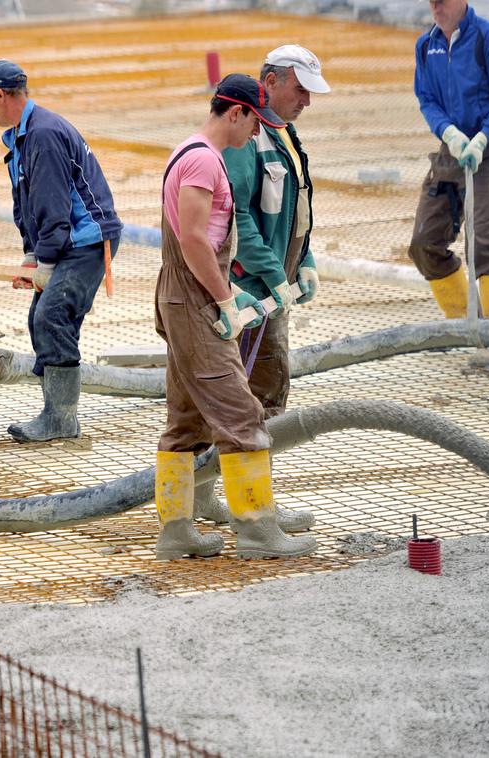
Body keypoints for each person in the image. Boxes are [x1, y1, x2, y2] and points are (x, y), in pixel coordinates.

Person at [154, 75, 316, 561]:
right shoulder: (205, 159)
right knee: (242, 416)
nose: (255, 134)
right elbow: (196, 240)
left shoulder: (189, 151)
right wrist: (226, 298)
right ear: (237, 112)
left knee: (185, 421)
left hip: (184, 299)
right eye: (254, 122)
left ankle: (176, 532)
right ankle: (257, 531)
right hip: (196, 302)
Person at [198, 44, 331, 533]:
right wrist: (276, 277)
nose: (307, 102)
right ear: (270, 83)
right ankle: (254, 509)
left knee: (243, 401)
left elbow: (295, 213)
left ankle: (215, 498)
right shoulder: (247, 142)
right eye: (300, 90)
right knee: (257, 403)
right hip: (251, 295)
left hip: (275, 291)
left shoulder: (286, 135)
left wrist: (306, 262)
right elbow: (240, 222)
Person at [0, 59, 123, 443]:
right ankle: (55, 413)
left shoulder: (43, 135)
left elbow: (53, 207)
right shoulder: (24, 135)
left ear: (0, 94)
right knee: (44, 316)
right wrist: (31, 256)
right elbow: (27, 203)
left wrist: (47, 261)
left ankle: (61, 420)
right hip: (67, 240)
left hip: (86, 239)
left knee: (52, 315)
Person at [409, 0, 489, 364]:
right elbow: (427, 98)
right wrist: (449, 132)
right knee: (424, 244)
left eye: (441, 1)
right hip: (454, 147)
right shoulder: (427, 45)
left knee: (485, 243)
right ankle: (465, 325)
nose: (435, 7)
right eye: (432, 2)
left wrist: (484, 135)